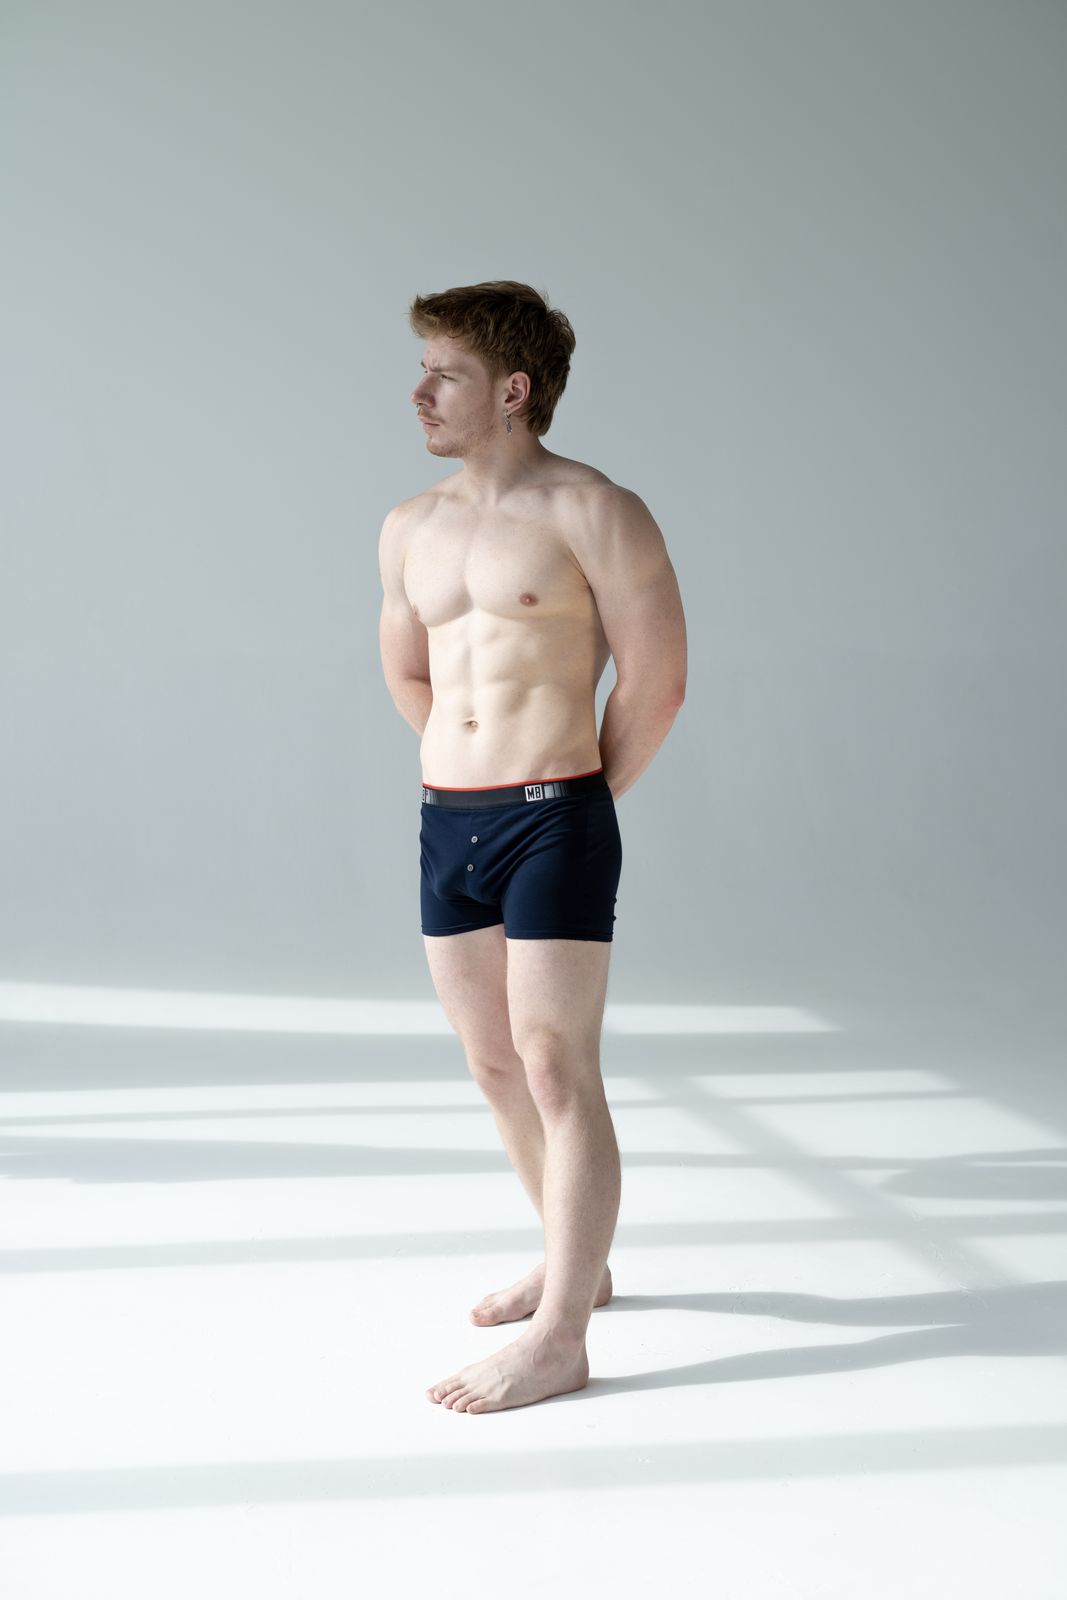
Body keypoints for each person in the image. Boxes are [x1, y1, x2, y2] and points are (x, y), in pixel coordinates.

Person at [377, 280, 687, 1412]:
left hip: (555, 813)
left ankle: (562, 1337)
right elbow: (409, 672)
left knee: (556, 1064)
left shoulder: (595, 511)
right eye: (420, 368)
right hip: (447, 818)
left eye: (444, 373)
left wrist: (568, 797)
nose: (419, 392)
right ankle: (578, 1266)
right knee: (494, 1064)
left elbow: (655, 680)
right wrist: (468, 769)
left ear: (512, 391)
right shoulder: (408, 525)